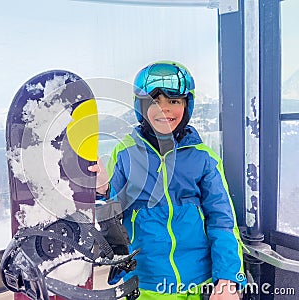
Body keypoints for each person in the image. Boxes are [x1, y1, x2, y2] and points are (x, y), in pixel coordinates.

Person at [89, 61, 246, 299]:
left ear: (186, 105)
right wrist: (102, 188)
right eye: (154, 102)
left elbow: (222, 221)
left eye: (174, 101)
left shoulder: (204, 158)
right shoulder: (125, 154)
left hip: (200, 282)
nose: (164, 110)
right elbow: (112, 216)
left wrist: (227, 279)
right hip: (145, 283)